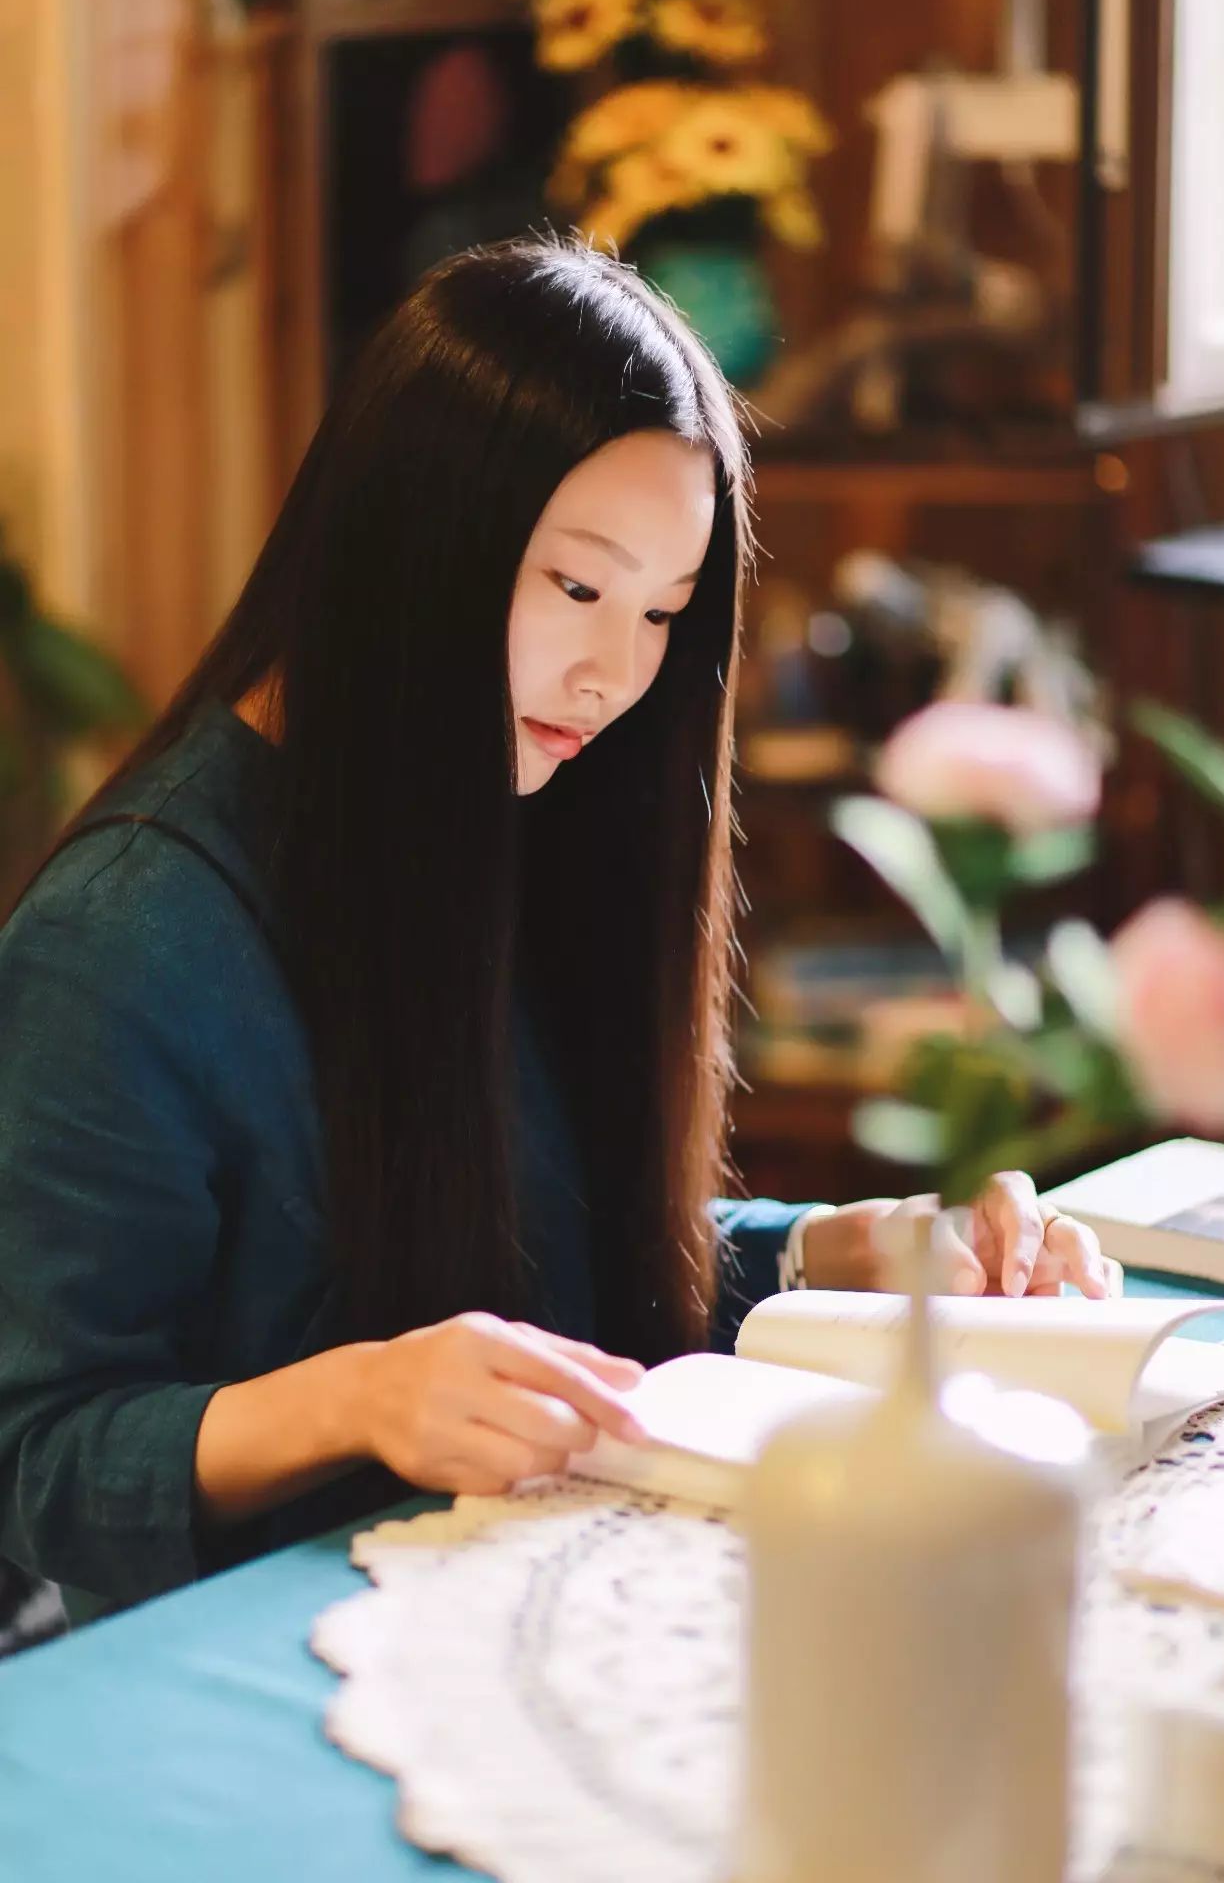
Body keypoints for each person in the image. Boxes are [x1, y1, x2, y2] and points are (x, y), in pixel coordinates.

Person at [0, 239, 1105, 1625]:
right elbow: (35, 1458)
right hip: (256, 1656)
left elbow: (540, 1255)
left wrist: (835, 1248)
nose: (616, 674)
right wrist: (354, 1398)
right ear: (413, 540)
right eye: (577, 590)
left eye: (662, 614)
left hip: (504, 1589)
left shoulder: (517, 799)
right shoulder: (125, 944)